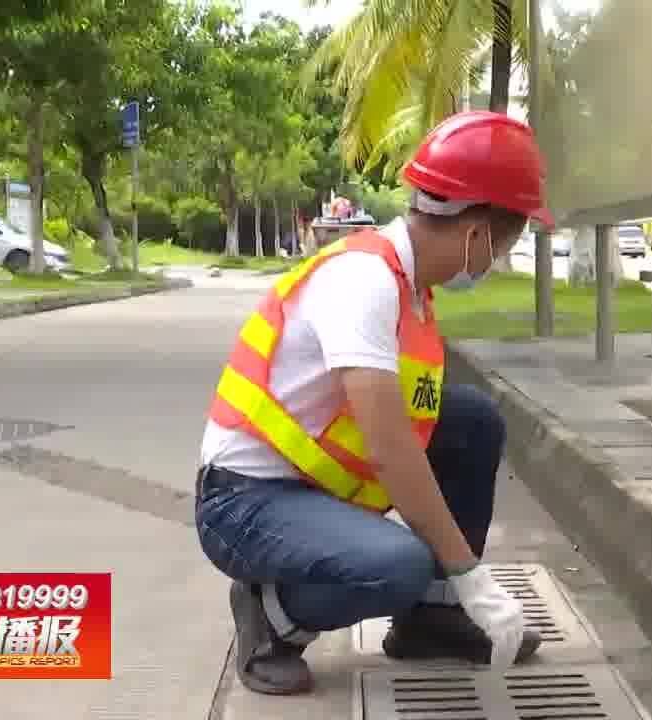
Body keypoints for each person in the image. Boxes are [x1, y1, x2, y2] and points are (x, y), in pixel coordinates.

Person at [194, 110, 556, 696]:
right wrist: (470, 573)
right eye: (508, 240)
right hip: (242, 502)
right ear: (478, 230)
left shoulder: (412, 286)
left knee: (470, 421)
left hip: (307, 487)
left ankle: (430, 618)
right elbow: (392, 451)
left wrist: (457, 580)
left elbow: (414, 423)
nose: (497, 258)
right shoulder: (365, 281)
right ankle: (273, 618)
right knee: (399, 562)